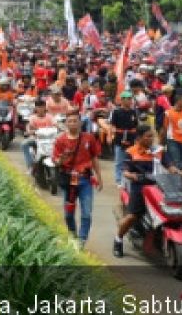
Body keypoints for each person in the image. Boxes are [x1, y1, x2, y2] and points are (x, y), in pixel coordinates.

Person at [113, 124, 181, 257]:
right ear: (139, 138)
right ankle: (118, 239)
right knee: (133, 216)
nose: (151, 139)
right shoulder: (131, 151)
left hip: (159, 186)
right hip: (140, 187)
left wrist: (179, 173)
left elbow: (170, 166)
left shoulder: (159, 151)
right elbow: (125, 171)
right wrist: (133, 176)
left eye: (152, 136)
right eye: (148, 136)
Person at [52, 111, 102, 246]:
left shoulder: (89, 138)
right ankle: (72, 234)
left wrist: (99, 177)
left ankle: (82, 240)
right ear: (66, 123)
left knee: (86, 213)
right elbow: (56, 162)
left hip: (85, 180)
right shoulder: (60, 140)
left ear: (80, 122)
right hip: (69, 181)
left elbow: (94, 158)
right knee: (68, 215)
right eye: (70, 121)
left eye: (75, 120)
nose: (73, 123)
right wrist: (62, 158)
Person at [109, 91, 138, 186]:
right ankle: (118, 180)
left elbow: (135, 126)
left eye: (131, 99)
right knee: (119, 161)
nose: (130, 101)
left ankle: (127, 179)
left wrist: (136, 137)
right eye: (128, 99)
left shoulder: (133, 112)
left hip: (131, 138)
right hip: (119, 139)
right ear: (122, 100)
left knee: (130, 160)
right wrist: (111, 135)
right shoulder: (116, 112)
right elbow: (112, 126)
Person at [21, 99, 57, 171]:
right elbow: (29, 127)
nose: (40, 109)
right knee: (24, 144)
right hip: (36, 139)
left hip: (50, 140)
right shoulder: (32, 118)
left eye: (42, 107)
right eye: (38, 107)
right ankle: (30, 165)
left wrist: (58, 128)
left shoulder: (50, 117)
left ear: (45, 107)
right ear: (35, 108)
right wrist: (29, 131)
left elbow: (55, 125)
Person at [161, 93, 182, 170]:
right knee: (177, 162)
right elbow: (164, 128)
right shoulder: (168, 113)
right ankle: (177, 180)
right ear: (178, 102)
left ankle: (176, 178)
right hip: (172, 140)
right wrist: (162, 142)